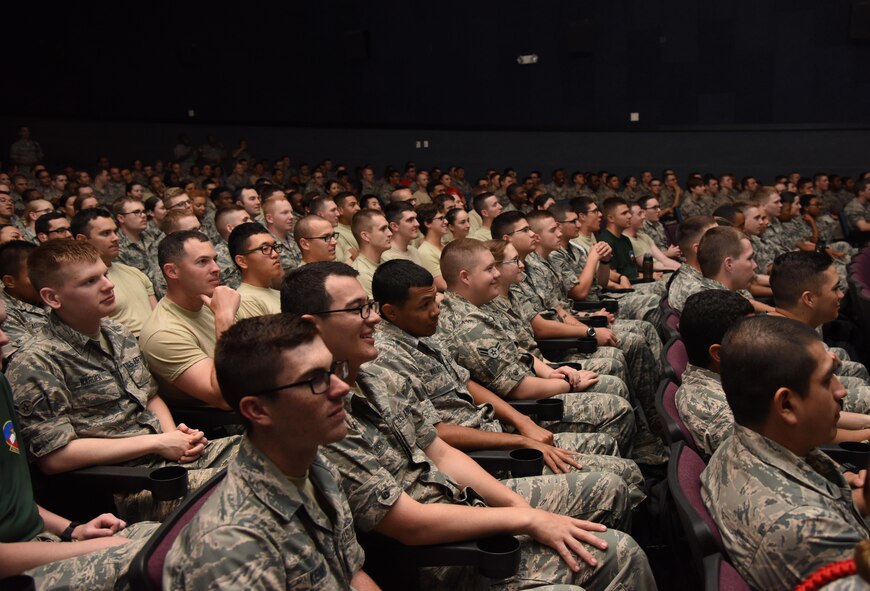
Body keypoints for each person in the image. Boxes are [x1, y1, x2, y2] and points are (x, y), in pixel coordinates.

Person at [280, 261, 656, 590]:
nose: (373, 319)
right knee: (617, 554)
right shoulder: (319, 416)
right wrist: (524, 516)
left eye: (370, 307)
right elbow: (406, 523)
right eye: (358, 310)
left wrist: (521, 509)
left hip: (461, 500)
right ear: (311, 326)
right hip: (441, 554)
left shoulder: (373, 379)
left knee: (610, 499)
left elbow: (438, 450)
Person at [368, 259, 646, 504]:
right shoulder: (386, 358)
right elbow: (435, 434)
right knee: (619, 479)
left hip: (497, 433)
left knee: (610, 452)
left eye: (434, 300)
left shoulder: (422, 332)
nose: (436, 311)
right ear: (391, 313)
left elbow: (467, 385)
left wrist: (523, 424)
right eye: (425, 305)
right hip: (485, 462)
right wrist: (518, 440)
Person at [6, 240, 238, 522]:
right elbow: (55, 458)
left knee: (280, 453)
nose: (108, 285)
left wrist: (177, 437)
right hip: (125, 484)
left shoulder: (116, 332)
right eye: (90, 281)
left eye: (104, 274)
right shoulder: (35, 361)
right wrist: (158, 443)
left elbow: (149, 396)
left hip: (168, 459)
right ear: (53, 298)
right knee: (247, 490)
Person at [163, 314, 378, 590]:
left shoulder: (314, 465)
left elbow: (350, 574)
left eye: (332, 369)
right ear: (257, 410)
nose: (341, 388)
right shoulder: (230, 548)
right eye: (314, 379)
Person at [702, 315, 870, 590]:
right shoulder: (803, 529)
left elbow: (832, 506)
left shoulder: (743, 444)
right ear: (787, 405)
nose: (841, 391)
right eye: (828, 379)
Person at [139, 231, 241, 410]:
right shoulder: (162, 333)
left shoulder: (211, 302)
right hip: (223, 426)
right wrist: (224, 319)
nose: (216, 268)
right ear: (172, 271)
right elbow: (223, 397)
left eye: (214, 259)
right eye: (203, 261)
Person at [675, 290, 755, 460]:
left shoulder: (711, 375)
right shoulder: (726, 418)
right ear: (718, 354)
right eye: (752, 335)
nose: (760, 340)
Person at [71, 208, 156, 337]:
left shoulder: (133, 272)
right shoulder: (83, 283)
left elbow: (157, 316)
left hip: (158, 338)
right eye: (106, 233)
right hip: (127, 347)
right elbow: (103, 334)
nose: (115, 238)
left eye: (115, 232)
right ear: (82, 240)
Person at [0, 241, 48, 361]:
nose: (45, 280)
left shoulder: (52, 294)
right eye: (35, 275)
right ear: (10, 281)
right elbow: (25, 359)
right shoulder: (4, 313)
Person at [229, 222, 284, 318]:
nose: (275, 254)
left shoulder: (278, 293)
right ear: (242, 261)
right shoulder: (246, 300)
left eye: (274, 247)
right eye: (265, 248)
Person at [350, 209, 392, 297]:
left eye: (388, 228)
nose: (390, 233)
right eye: (383, 229)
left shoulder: (386, 260)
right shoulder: (361, 274)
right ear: (365, 236)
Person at [212, 205, 252, 289]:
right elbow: (234, 289)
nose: (251, 222)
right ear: (230, 228)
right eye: (245, 220)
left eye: (250, 218)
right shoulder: (219, 256)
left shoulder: (246, 248)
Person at [414, 203, 448, 291]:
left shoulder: (444, 246)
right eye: (441, 218)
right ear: (428, 223)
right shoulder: (426, 252)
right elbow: (443, 285)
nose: (446, 222)